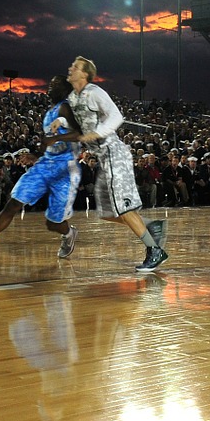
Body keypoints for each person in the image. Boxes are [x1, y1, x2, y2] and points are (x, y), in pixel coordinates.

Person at [0, 75, 82, 263]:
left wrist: (55, 139)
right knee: (13, 204)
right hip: (45, 166)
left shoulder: (65, 107)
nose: (50, 86)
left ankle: (68, 233)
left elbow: (79, 133)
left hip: (64, 171)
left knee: (54, 223)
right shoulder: (50, 112)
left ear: (64, 90)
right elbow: (48, 143)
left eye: (55, 84)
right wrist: (35, 156)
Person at [62, 56, 168, 272]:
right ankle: (150, 225)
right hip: (103, 158)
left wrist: (96, 133)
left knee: (123, 207)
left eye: (75, 67)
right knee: (107, 212)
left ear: (84, 74)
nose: (70, 68)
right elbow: (76, 123)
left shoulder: (95, 92)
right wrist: (61, 122)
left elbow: (116, 116)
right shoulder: (73, 97)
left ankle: (155, 251)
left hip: (114, 154)